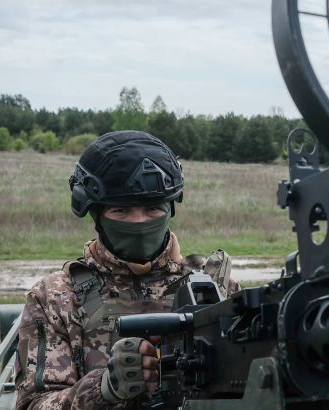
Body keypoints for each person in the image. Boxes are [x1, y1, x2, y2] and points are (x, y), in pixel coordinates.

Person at [15, 131, 240, 409]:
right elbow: (33, 403)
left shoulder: (214, 290)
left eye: (152, 209)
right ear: (96, 213)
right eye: (121, 211)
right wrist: (103, 389)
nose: (139, 222)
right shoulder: (55, 298)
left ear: (170, 208)